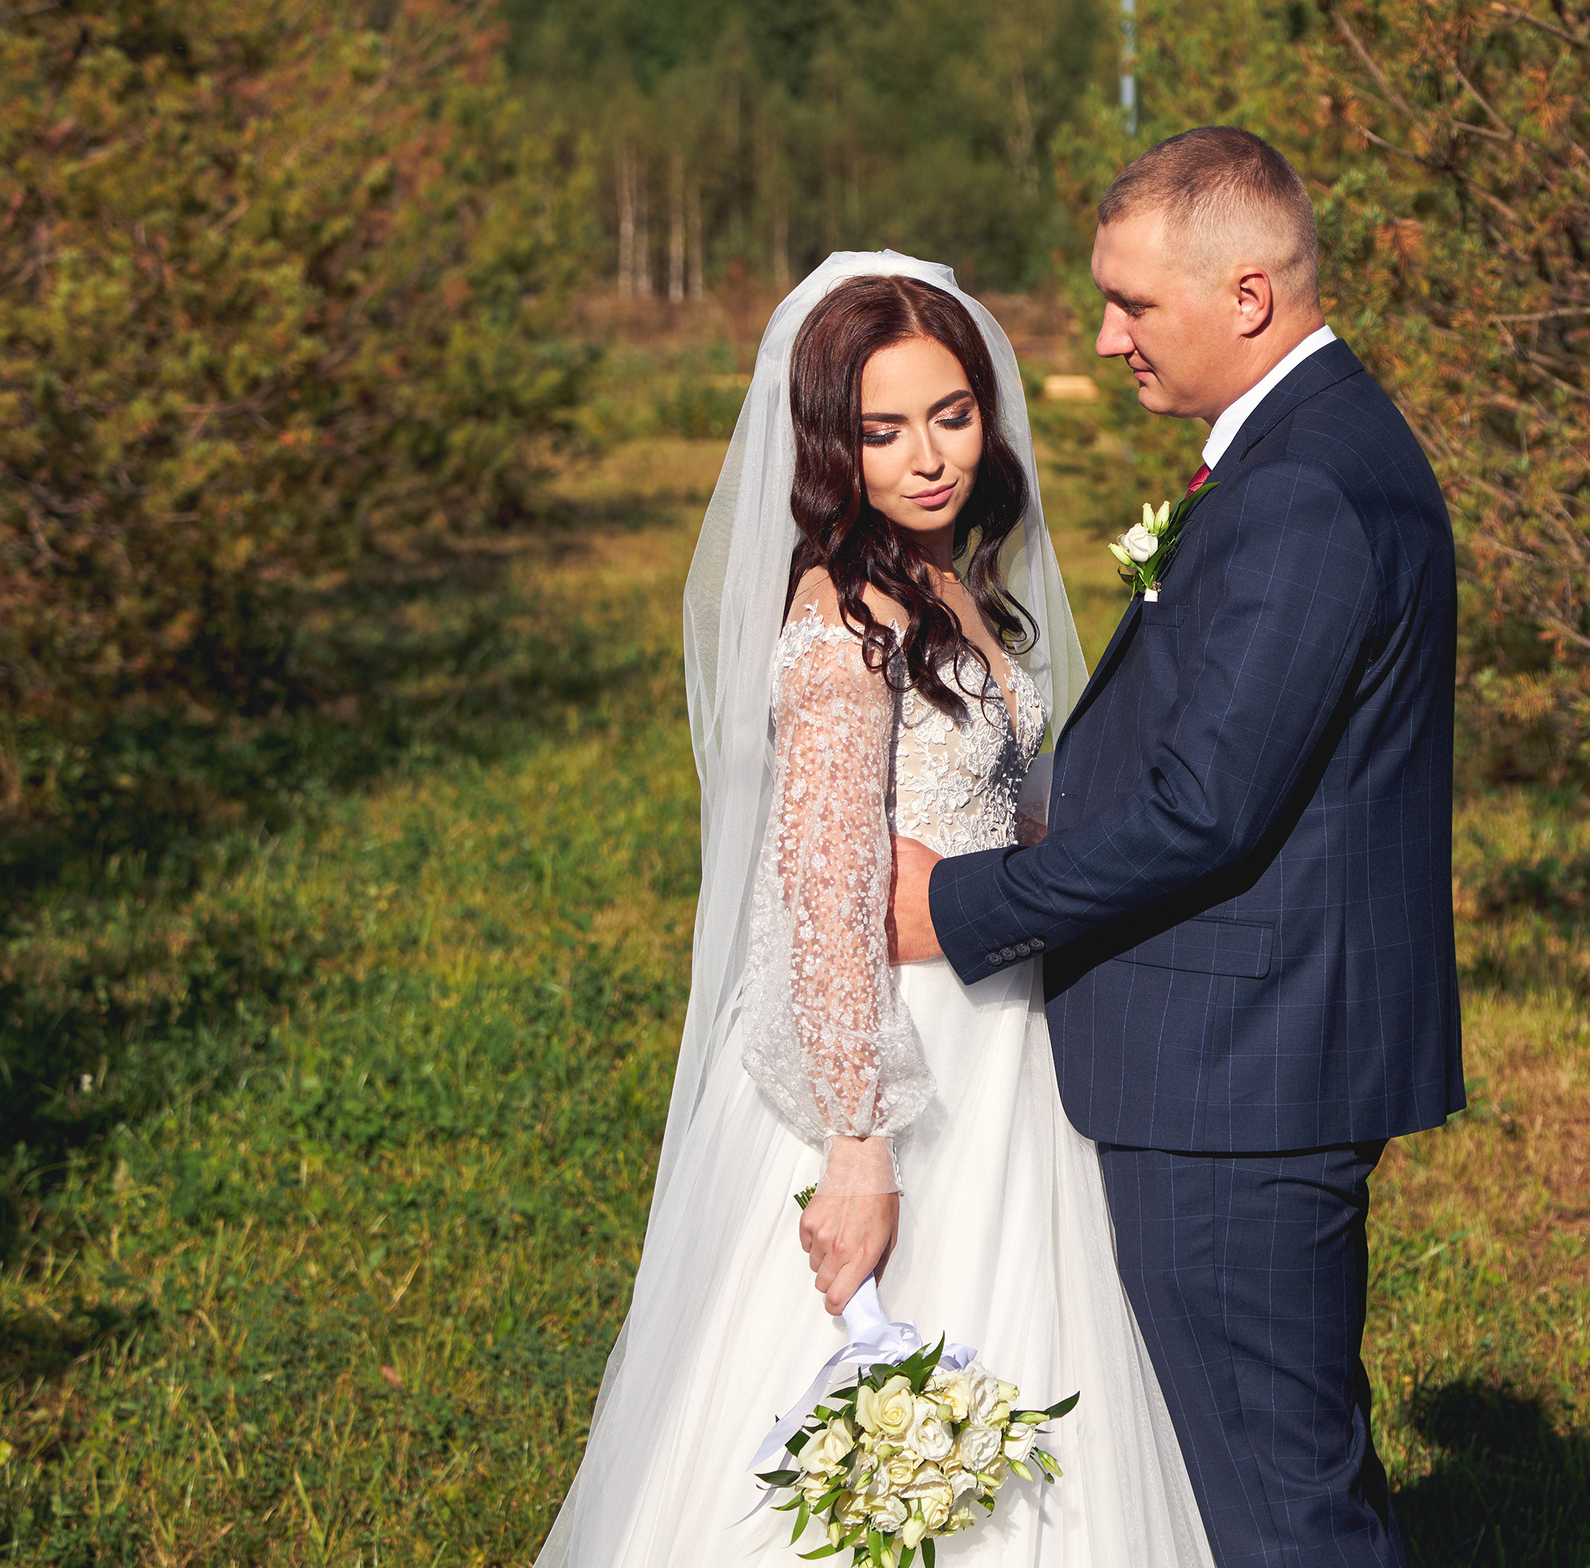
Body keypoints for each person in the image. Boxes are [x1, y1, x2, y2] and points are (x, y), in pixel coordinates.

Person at [537, 255, 1213, 1568]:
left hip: (1006, 1030)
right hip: (899, 1053)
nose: (927, 458)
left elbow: (1009, 815)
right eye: (883, 429)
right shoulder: (844, 621)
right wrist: (858, 1148)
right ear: (831, 444)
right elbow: (824, 893)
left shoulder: (952, 580)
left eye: (950, 415)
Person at [892, 128, 1464, 1568]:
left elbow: (1208, 811)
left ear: (1251, 295)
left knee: (1275, 1504)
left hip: (1241, 1078)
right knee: (1283, 1459)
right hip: (1265, 1050)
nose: (1105, 336)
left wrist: (960, 904)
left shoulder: (1302, 491)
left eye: (1135, 304)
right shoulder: (1310, 448)